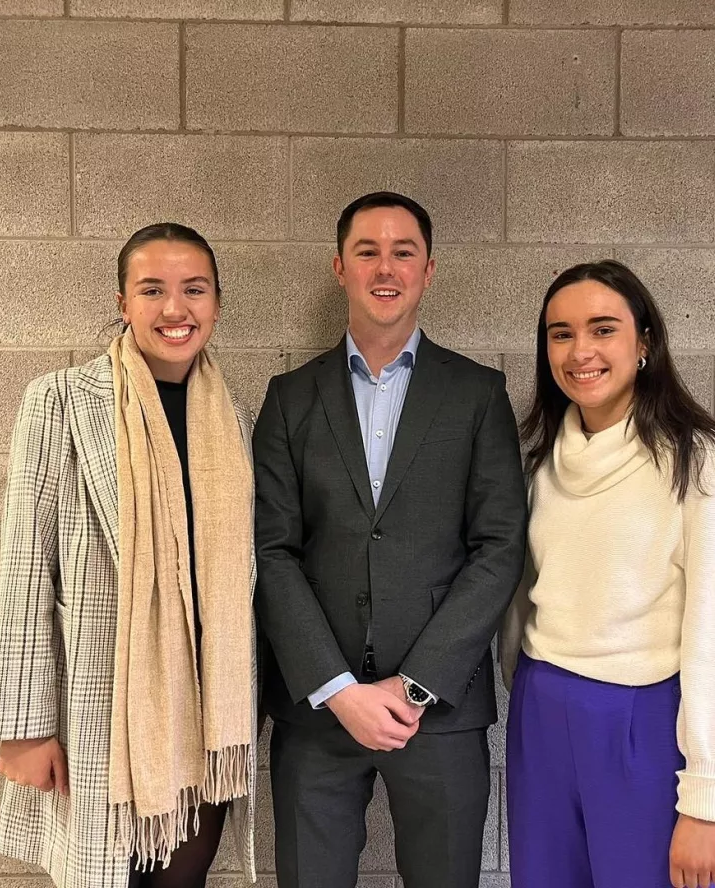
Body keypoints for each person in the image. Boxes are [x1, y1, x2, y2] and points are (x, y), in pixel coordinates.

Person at [253, 190, 528, 888]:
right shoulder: (290, 397)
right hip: (317, 713)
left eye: (403, 252)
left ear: (428, 271)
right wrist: (338, 688)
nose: (386, 267)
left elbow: (498, 546)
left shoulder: (475, 393)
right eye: (367, 251)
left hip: (438, 713)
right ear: (339, 267)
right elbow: (271, 550)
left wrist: (414, 688)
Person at [0, 223, 258, 888]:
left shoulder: (233, 417)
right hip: (99, 713)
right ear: (122, 301)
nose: (175, 309)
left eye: (194, 290)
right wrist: (23, 726)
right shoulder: (62, 401)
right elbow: (24, 564)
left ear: (217, 303)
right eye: (152, 290)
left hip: (204, 718)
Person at [500, 259, 715, 888]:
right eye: (561, 333)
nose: (581, 352)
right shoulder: (544, 460)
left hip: (642, 723)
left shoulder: (696, 462)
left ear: (645, 343)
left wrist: (709, 800)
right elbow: (525, 597)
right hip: (543, 713)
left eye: (603, 330)